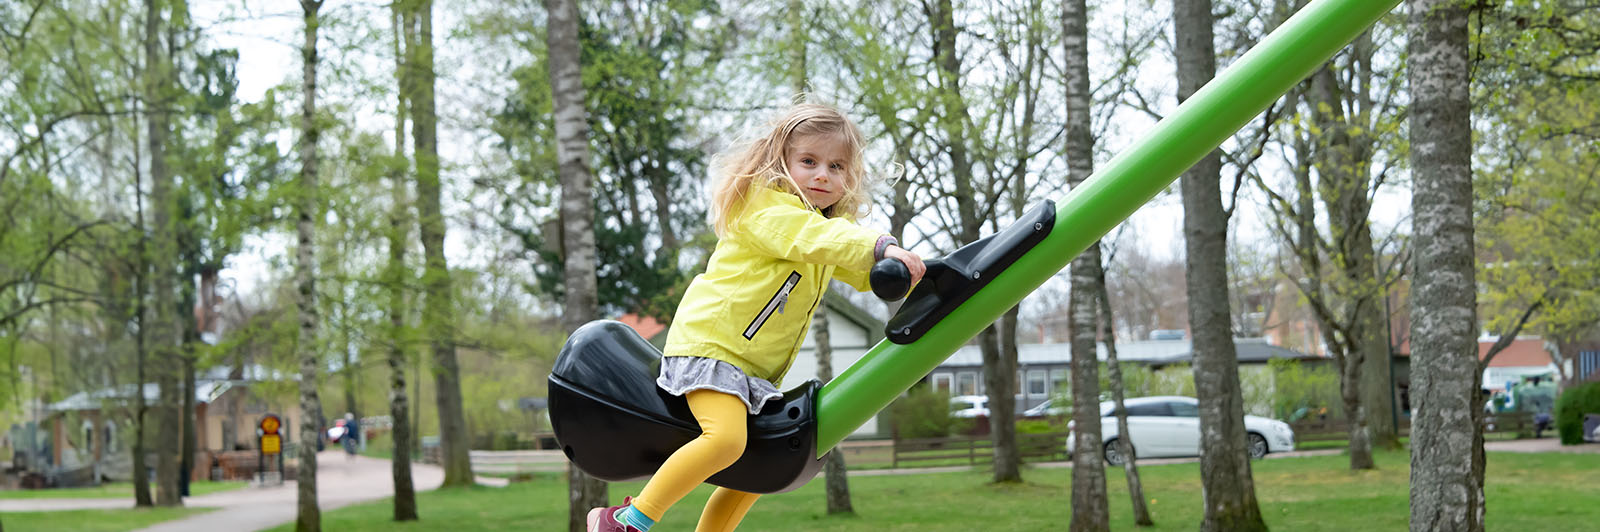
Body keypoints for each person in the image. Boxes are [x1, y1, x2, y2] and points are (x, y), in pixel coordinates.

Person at [587, 102, 926, 532]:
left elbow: (850, 264)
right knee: (727, 440)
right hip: (713, 349)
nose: (823, 174)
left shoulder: (817, 233)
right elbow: (819, 239)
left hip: (752, 372)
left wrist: (914, 272)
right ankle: (627, 520)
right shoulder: (766, 210)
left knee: (762, 465)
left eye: (837, 166)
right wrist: (881, 244)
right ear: (779, 162)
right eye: (809, 161)